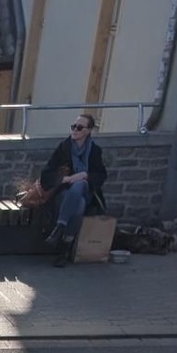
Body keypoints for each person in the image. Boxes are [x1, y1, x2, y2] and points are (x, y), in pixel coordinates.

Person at [39, 113, 108, 265]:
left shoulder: (95, 151)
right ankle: (64, 248)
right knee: (79, 204)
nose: (75, 130)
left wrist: (85, 176)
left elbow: (101, 175)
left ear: (88, 131)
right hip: (63, 192)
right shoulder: (64, 148)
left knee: (81, 184)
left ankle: (59, 228)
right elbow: (46, 175)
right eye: (74, 126)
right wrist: (67, 179)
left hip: (87, 191)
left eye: (79, 127)